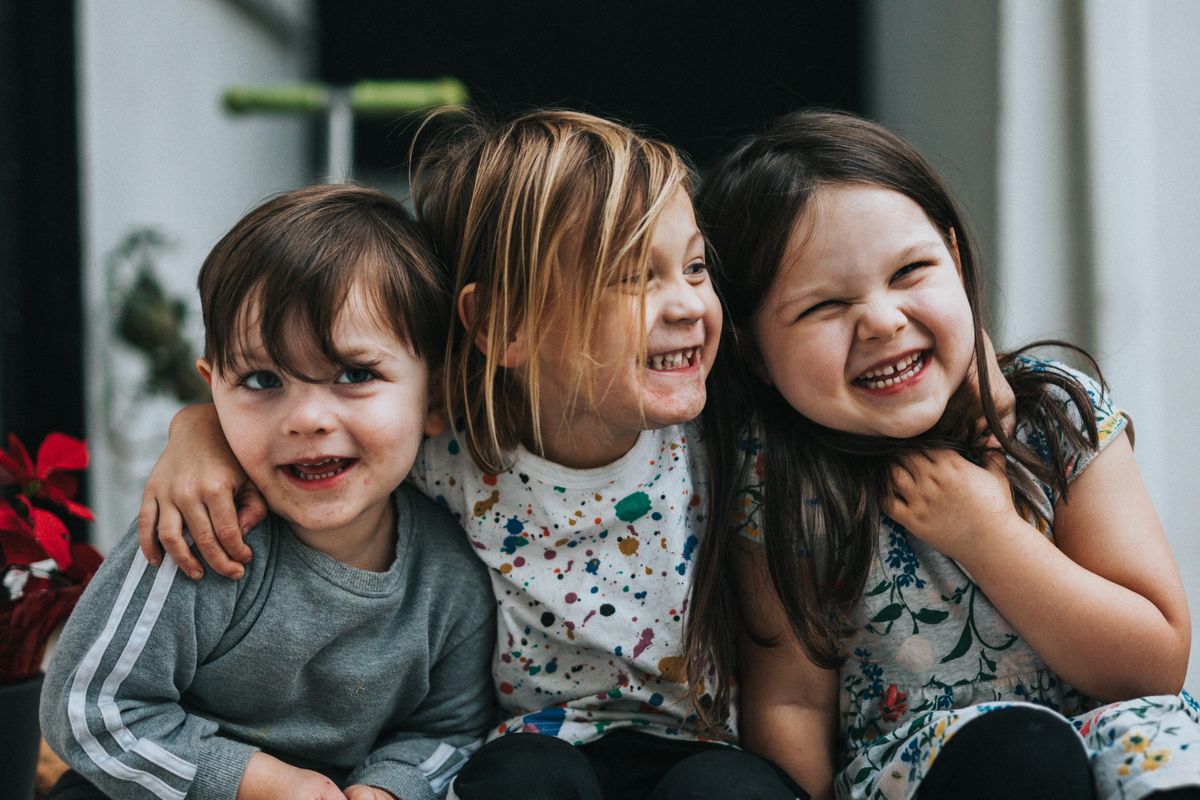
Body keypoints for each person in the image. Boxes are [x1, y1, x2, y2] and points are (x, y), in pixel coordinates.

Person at [132, 111, 807, 800]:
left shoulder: (725, 436)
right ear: (500, 325)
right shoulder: (450, 449)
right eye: (633, 276)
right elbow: (337, 424)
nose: (688, 304)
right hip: (533, 750)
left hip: (698, 749)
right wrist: (202, 431)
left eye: (694, 267)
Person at [685, 108, 1200, 800]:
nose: (882, 320)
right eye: (824, 306)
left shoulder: (1057, 417)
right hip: (925, 766)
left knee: (1173, 756)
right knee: (1020, 756)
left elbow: (1154, 665)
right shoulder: (781, 479)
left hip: (1104, 733)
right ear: (754, 352)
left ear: (955, 261)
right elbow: (791, 706)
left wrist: (988, 535)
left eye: (911, 272)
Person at [40, 184, 497, 800]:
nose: (306, 418)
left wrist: (390, 788)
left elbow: (452, 729)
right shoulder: (201, 537)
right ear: (213, 390)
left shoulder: (450, 576)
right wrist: (266, 787)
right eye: (261, 379)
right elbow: (89, 710)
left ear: (436, 396)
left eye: (355, 375)